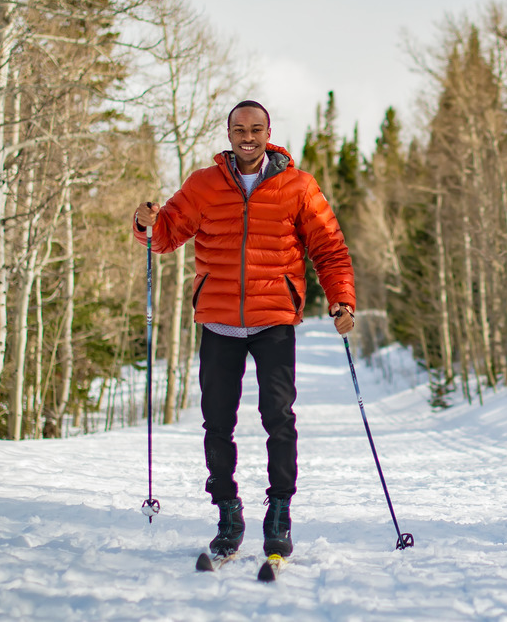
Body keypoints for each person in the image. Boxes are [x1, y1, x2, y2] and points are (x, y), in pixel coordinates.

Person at [133, 99, 355, 558]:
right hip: (218, 322)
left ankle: (279, 512)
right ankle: (228, 512)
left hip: (274, 318)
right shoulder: (204, 184)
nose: (247, 136)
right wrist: (145, 223)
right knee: (217, 423)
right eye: (239, 129)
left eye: (256, 128)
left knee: (279, 419)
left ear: (268, 132)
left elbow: (329, 248)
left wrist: (341, 299)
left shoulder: (298, 186)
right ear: (229, 133)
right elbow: (167, 233)